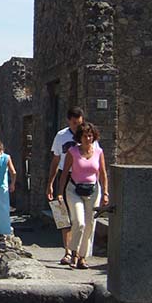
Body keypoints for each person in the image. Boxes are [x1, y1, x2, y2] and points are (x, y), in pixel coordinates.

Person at [45, 107, 97, 265]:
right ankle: (67, 251)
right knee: (62, 213)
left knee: (81, 219)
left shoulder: (87, 136)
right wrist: (50, 183)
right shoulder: (61, 136)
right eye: (74, 124)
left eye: (79, 123)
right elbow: (55, 159)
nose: (77, 127)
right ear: (69, 121)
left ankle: (78, 252)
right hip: (64, 175)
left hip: (83, 178)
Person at [56, 121, 108, 270]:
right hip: (74, 190)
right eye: (85, 136)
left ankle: (83, 257)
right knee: (79, 222)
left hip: (93, 190)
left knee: (90, 224)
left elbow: (103, 174)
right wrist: (60, 193)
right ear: (80, 137)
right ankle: (74, 253)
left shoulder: (99, 152)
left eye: (90, 136)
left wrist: (105, 192)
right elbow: (65, 173)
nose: (88, 139)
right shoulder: (73, 152)